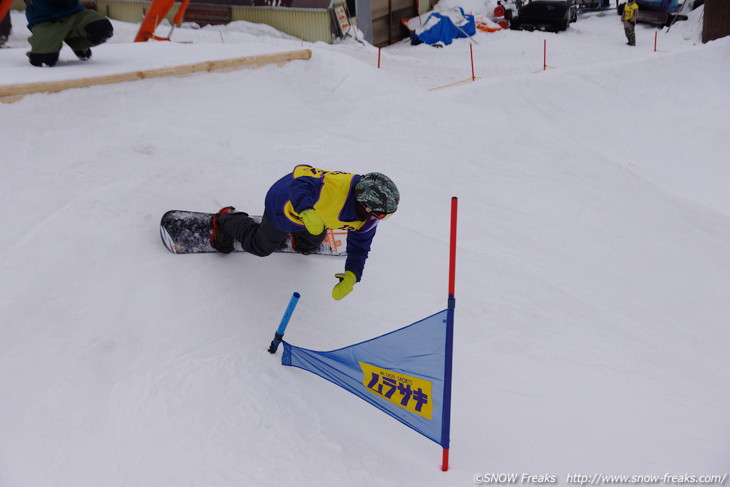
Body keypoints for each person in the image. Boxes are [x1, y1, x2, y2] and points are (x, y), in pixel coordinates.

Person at [210, 165, 400, 301]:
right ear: (364, 204)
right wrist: (306, 210)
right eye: (380, 214)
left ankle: (300, 238)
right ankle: (226, 219)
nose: (379, 219)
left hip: (317, 217)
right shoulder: (334, 188)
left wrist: (352, 274)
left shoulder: (367, 219)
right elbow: (300, 184)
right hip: (286, 207)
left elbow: (360, 248)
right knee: (260, 246)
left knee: (310, 243)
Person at [23, 0, 113, 66]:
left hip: (73, 12)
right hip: (45, 20)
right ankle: (52, 41)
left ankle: (75, 41)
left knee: (103, 28)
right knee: (44, 59)